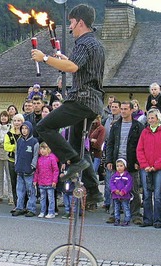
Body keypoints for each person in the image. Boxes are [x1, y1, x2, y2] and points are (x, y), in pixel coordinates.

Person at [31, 4, 105, 207]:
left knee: (44, 126)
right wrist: (64, 59)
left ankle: (75, 162)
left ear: (80, 22)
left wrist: (44, 58)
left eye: (72, 23)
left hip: (81, 100)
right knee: (77, 145)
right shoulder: (95, 44)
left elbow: (72, 67)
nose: (70, 28)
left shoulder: (83, 43)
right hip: (94, 102)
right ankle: (93, 189)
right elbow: (77, 65)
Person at [104, 101, 142, 224]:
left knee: (134, 190)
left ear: (132, 110)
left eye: (126, 109)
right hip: (117, 162)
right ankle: (113, 214)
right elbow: (110, 144)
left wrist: (138, 161)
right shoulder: (115, 125)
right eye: (122, 109)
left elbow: (141, 146)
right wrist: (109, 160)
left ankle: (135, 215)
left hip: (131, 162)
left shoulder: (138, 126)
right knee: (114, 189)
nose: (123, 111)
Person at [136, 109, 161, 228]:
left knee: (157, 195)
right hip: (145, 168)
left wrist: (155, 166)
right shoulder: (144, 132)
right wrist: (145, 165)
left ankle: (157, 220)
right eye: (149, 118)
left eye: (153, 118)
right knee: (146, 195)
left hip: (159, 169)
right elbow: (139, 150)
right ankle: (147, 219)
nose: (150, 120)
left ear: (158, 118)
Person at [11, 121, 38, 217]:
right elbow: (17, 154)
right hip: (20, 170)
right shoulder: (19, 141)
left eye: (26, 128)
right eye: (23, 128)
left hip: (29, 171)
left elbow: (35, 156)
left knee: (30, 191)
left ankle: (31, 208)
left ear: (30, 129)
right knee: (20, 191)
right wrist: (16, 164)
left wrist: (32, 166)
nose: (24, 130)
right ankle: (19, 207)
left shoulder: (34, 142)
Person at [33, 142, 58, 219]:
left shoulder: (52, 158)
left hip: (50, 182)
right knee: (42, 198)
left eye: (44, 148)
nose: (42, 150)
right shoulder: (39, 159)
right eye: (41, 149)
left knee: (51, 198)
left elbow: (55, 170)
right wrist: (35, 180)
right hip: (41, 182)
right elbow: (37, 171)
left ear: (48, 149)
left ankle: (51, 212)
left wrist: (54, 181)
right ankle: (42, 211)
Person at [4, 114, 24, 207]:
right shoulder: (9, 134)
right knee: (13, 182)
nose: (17, 123)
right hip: (12, 160)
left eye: (19, 121)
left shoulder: (25, 134)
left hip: (23, 161)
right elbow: (6, 147)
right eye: (15, 121)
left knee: (23, 183)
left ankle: (24, 203)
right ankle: (17, 204)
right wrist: (17, 147)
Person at [0, 111, 12, 204]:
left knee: (9, 176)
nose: (4, 118)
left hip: (8, 152)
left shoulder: (11, 127)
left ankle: (11, 196)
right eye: (2, 116)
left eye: (5, 116)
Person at [110, 158, 133, 226]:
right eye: (117, 166)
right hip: (116, 195)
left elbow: (129, 185)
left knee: (125, 207)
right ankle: (117, 218)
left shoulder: (128, 176)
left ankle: (127, 219)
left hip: (124, 196)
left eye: (121, 166)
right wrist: (114, 190)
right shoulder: (114, 176)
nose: (119, 168)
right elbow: (111, 183)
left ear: (124, 166)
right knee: (116, 207)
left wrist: (124, 191)